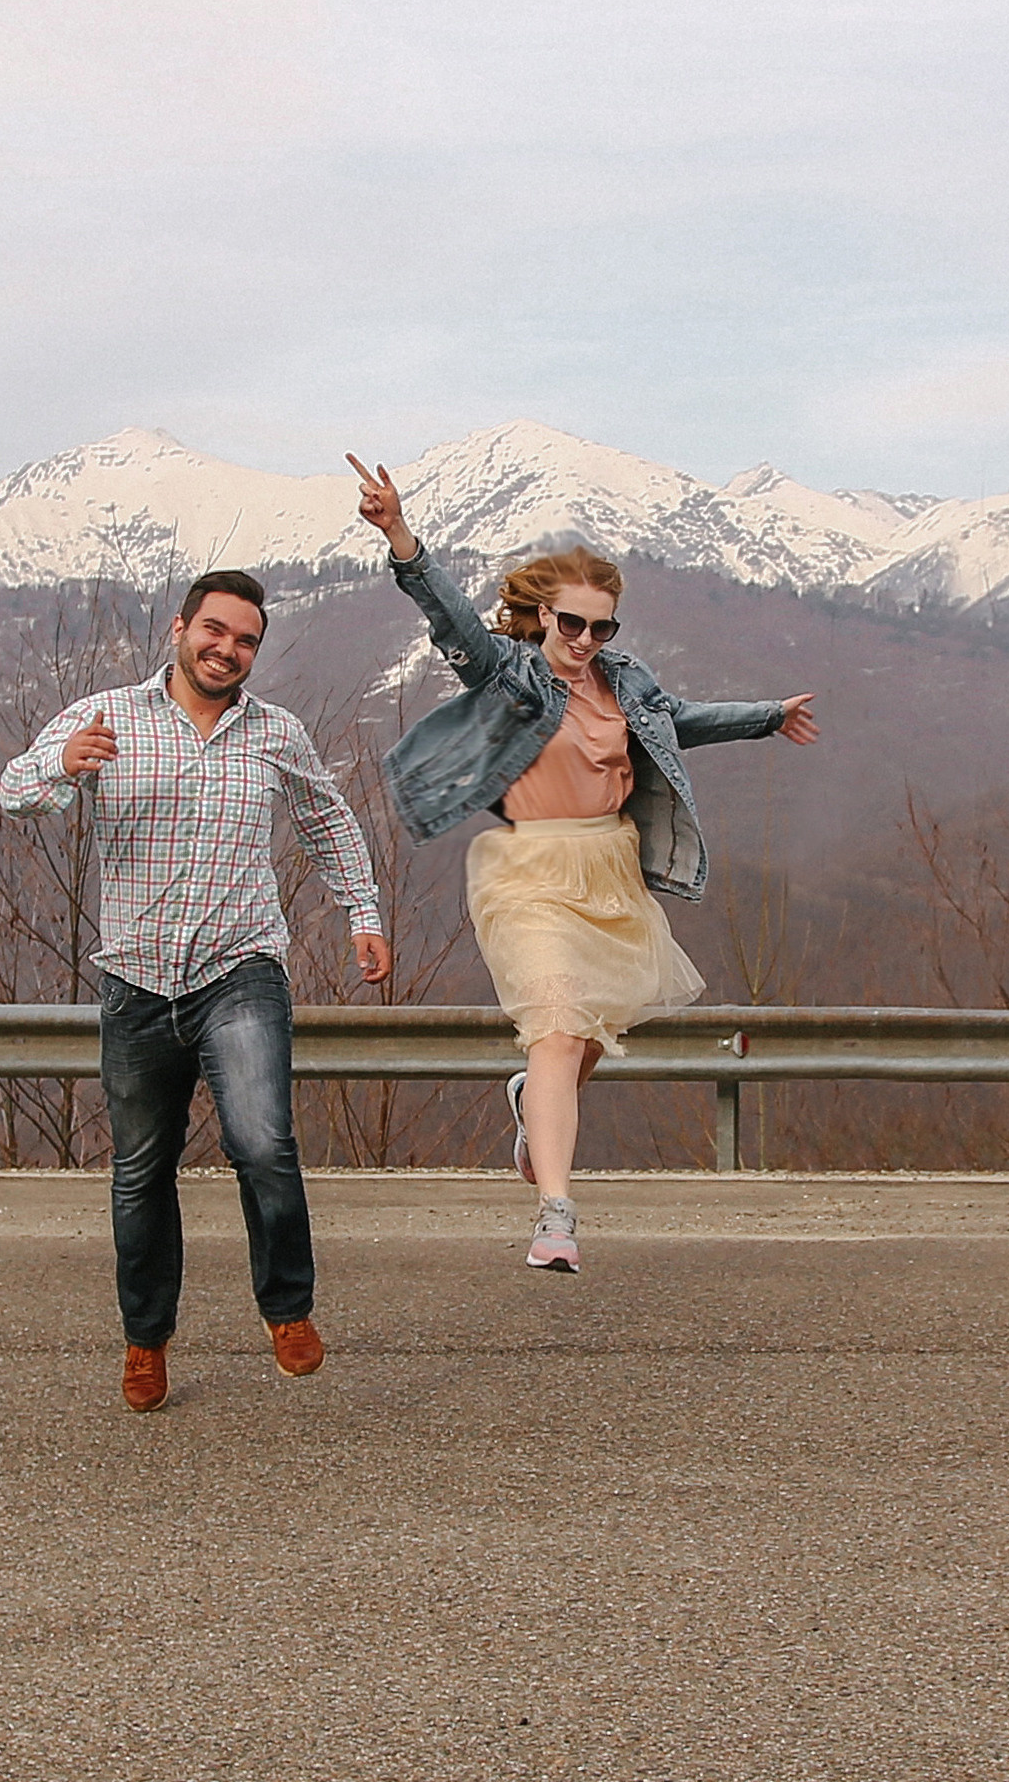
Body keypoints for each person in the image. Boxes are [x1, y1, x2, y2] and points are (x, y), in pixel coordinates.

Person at [348, 455, 817, 1273]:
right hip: (527, 872)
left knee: (595, 1029)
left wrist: (767, 717)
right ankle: (555, 1214)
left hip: (611, 871)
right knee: (559, 1026)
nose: (585, 641)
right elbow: (451, 618)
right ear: (539, 617)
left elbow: (680, 723)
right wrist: (398, 534)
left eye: (600, 628)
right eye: (571, 624)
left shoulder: (626, 682)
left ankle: (532, 1101)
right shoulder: (510, 673)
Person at [0, 567, 392, 1413]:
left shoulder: (273, 733)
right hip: (135, 979)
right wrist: (62, 767)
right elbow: (14, 791)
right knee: (140, 1172)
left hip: (238, 969)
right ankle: (146, 1342)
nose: (227, 649)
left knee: (261, 1143)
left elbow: (326, 817)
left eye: (245, 640)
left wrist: (362, 910)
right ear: (180, 629)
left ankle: (285, 1309)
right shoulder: (106, 716)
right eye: (215, 631)